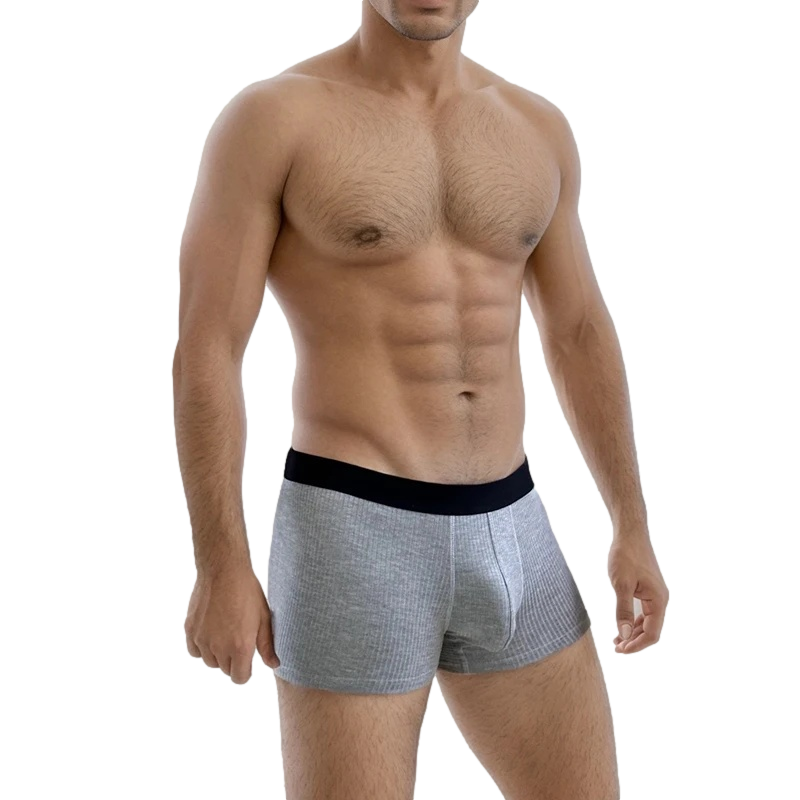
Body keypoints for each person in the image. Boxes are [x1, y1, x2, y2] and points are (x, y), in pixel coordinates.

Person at [173, 0, 671, 796]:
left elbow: (578, 330)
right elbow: (208, 348)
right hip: (353, 526)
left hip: (516, 527)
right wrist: (219, 563)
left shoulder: (536, 125)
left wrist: (632, 526)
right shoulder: (273, 118)